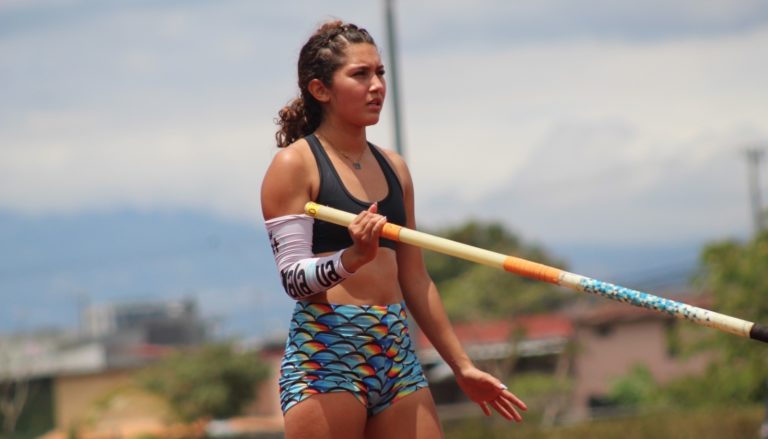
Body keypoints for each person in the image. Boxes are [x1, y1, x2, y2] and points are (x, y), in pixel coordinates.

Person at [260, 20, 527, 439]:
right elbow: (294, 280)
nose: (377, 85)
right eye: (360, 75)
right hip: (328, 351)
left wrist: (463, 365)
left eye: (380, 73)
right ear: (320, 89)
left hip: (396, 349)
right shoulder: (295, 165)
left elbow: (416, 278)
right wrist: (353, 258)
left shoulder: (395, 167)